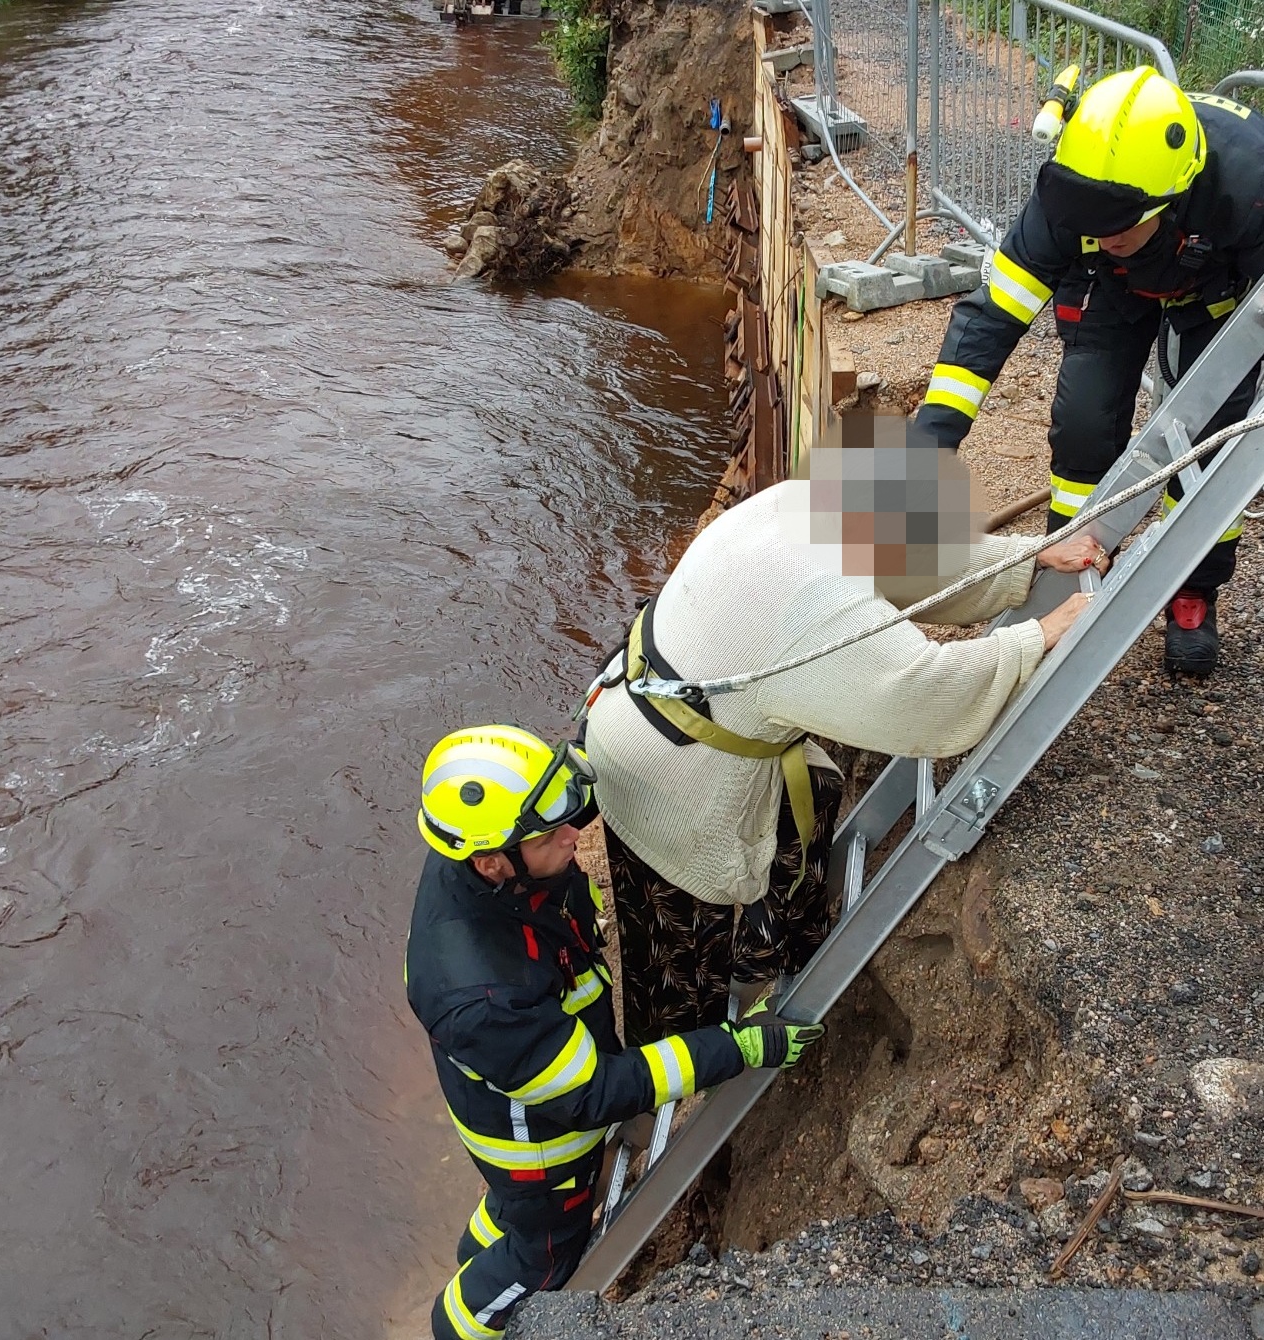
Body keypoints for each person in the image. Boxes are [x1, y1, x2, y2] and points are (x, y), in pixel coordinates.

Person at [583, 417, 1104, 1044]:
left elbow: (913, 563)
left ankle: (778, 959)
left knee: (808, 809)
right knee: (678, 951)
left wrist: (1026, 558)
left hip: (642, 715)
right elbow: (927, 698)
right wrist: (1042, 633)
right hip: (669, 781)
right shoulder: (811, 601)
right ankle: (688, 1077)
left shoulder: (802, 507)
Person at [406, 723, 824, 1340]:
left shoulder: (481, 868)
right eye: (554, 834)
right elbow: (594, 1092)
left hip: (511, 1109)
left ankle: (480, 1244)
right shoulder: (484, 992)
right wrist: (733, 1049)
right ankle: (458, 1326)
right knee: (543, 1254)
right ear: (493, 862)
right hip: (540, 1150)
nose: (577, 836)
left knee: (516, 1213)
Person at [916, 66, 1264, 677]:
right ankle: (1069, 567)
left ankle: (1193, 590)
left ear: (1171, 199)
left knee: (1210, 442)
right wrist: (925, 448)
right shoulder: (1072, 203)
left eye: (1117, 226)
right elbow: (989, 320)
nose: (1101, 235)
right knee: (1083, 418)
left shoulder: (1249, 185)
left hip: (1212, 295)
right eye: (1089, 225)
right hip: (1112, 288)